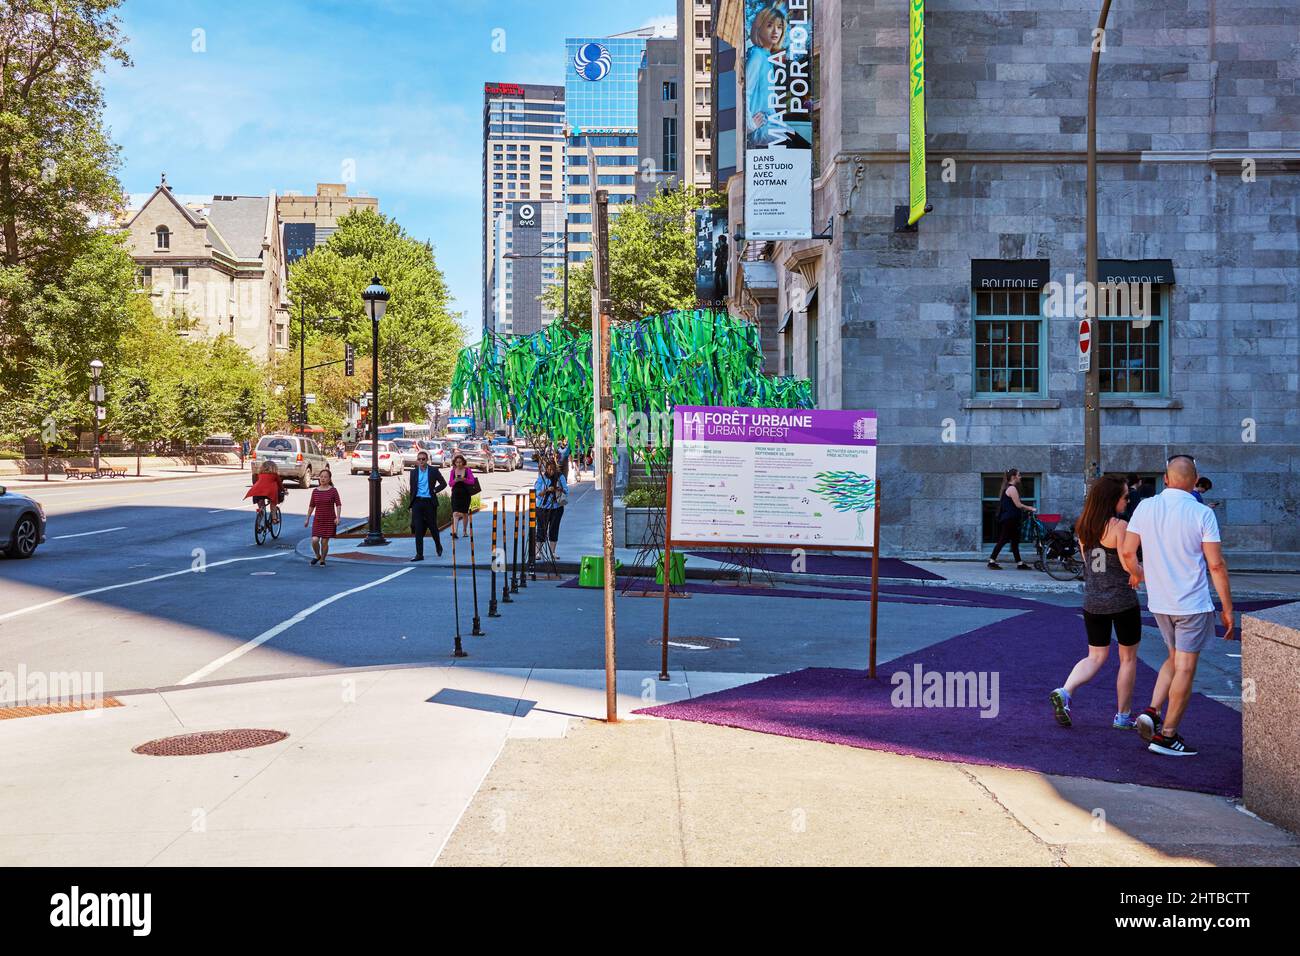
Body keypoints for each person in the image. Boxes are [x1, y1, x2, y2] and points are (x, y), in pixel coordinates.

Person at [1120, 455, 1235, 757]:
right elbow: (1216, 565)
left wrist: (1138, 574)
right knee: (1185, 667)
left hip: (1160, 602)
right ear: (1195, 481)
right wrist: (1227, 608)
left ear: (1166, 479)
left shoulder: (1145, 507)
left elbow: (1128, 552)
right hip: (1192, 603)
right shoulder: (1202, 513)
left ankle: (1153, 711)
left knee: (1173, 658)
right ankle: (1167, 736)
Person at [1049, 476, 1142, 729]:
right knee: (1128, 659)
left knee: (1095, 656)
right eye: (1125, 497)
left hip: (1093, 600)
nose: (1127, 501)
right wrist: (1141, 573)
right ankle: (1123, 716)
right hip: (1122, 600)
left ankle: (1065, 691)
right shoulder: (1119, 526)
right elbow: (1127, 561)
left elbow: (1087, 561)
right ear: (1112, 499)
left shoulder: (1084, 526)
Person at [744, 4, 787, 148]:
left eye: (779, 27)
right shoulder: (757, 55)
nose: (776, 31)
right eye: (770, 25)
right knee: (796, 143)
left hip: (769, 124)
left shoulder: (767, 57)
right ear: (759, 27)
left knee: (798, 140)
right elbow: (745, 91)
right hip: (760, 128)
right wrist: (750, 125)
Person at [987, 468, 1036, 570]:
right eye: (1019, 475)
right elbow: (1018, 504)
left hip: (1011, 519)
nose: (1020, 477)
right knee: (1003, 540)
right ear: (1013, 477)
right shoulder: (1012, 489)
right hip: (1010, 519)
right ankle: (991, 561)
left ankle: (1019, 563)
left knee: (1014, 541)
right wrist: (1030, 508)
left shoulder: (1009, 488)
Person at [408, 449, 447, 561]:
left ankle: (438, 545)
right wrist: (411, 505)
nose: (421, 461)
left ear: (427, 460)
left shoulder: (433, 471)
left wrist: (434, 490)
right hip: (417, 502)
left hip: (429, 502)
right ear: (417, 460)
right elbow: (412, 490)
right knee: (418, 528)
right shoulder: (413, 472)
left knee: (432, 526)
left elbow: (443, 483)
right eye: (419, 459)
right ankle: (419, 554)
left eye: (423, 459)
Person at [305, 467, 342, 566]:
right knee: (315, 540)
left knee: (324, 542)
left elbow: (338, 504)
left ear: (329, 479)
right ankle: (317, 555)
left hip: (329, 520)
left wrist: (338, 517)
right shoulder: (315, 491)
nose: (323, 478)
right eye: (321, 477)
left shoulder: (333, 491)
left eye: (325, 477)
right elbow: (311, 506)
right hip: (318, 520)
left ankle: (322, 560)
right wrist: (307, 519)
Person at [534, 457, 569, 560]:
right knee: (541, 529)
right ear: (546, 469)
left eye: (553, 469)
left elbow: (566, 490)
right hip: (542, 507)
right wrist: (546, 490)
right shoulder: (542, 478)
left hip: (556, 508)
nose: (551, 471)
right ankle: (538, 552)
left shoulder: (560, 477)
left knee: (554, 529)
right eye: (549, 469)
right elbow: (536, 493)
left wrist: (557, 488)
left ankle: (552, 552)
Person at [447, 453, 478, 539]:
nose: (459, 464)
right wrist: (455, 480)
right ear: (454, 463)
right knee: (455, 512)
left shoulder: (467, 470)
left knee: (464, 513)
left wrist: (464, 479)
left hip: (465, 494)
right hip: (455, 494)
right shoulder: (453, 471)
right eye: (457, 462)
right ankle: (455, 532)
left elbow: (472, 481)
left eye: (460, 462)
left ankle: (464, 530)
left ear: (463, 462)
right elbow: (450, 484)